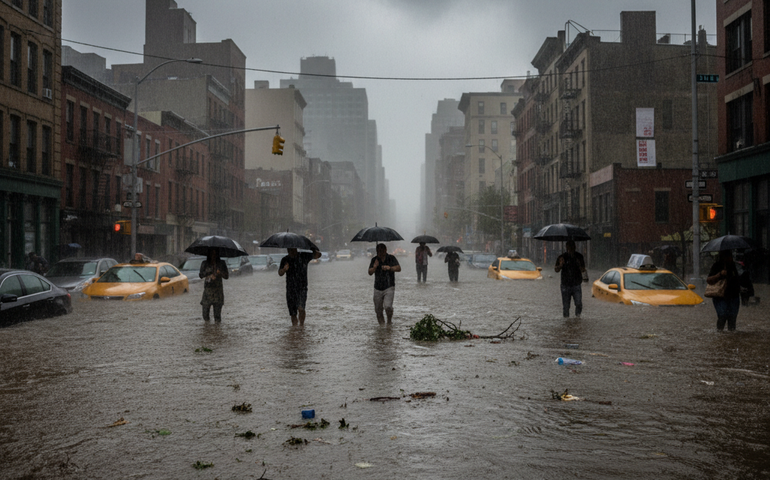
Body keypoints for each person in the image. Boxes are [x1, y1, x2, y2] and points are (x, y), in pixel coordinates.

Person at [278, 247, 321, 326]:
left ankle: (301, 326)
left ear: (295, 248)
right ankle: (295, 329)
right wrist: (284, 269)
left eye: (291, 249)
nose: (290, 251)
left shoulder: (303, 256)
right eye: (288, 250)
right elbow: (280, 273)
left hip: (302, 288)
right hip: (290, 289)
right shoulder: (285, 260)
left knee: (301, 308)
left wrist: (313, 248)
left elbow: (318, 255)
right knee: (293, 313)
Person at [706, 250, 742, 331]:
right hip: (720, 297)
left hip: (734, 296)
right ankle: (720, 333)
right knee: (722, 316)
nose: (730, 258)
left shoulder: (733, 266)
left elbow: (737, 279)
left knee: (732, 318)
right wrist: (720, 274)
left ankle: (730, 336)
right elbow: (709, 280)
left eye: (730, 256)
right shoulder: (717, 266)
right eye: (728, 256)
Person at [368, 243, 401, 323]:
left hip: (389, 286)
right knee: (378, 310)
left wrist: (390, 268)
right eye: (378, 251)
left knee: (388, 307)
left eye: (381, 251)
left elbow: (399, 268)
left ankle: (389, 321)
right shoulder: (374, 260)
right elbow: (370, 272)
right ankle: (382, 327)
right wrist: (375, 267)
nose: (380, 253)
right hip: (377, 288)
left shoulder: (391, 258)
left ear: (385, 250)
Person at [554, 240, 587, 318]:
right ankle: (566, 320)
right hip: (565, 284)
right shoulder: (562, 257)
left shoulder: (579, 256)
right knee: (566, 306)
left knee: (578, 303)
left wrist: (579, 264)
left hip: (576, 284)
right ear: (566, 247)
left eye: (572, 247)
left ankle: (577, 317)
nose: (571, 249)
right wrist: (560, 265)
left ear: (575, 247)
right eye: (569, 247)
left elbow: (583, 270)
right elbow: (556, 270)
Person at [199, 248, 229, 322]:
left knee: (217, 316)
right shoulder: (205, 263)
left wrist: (220, 272)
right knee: (205, 315)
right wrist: (209, 274)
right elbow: (201, 275)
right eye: (212, 253)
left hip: (218, 292)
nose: (213, 255)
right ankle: (207, 330)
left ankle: (217, 331)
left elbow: (226, 276)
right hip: (207, 291)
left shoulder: (221, 263)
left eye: (215, 253)